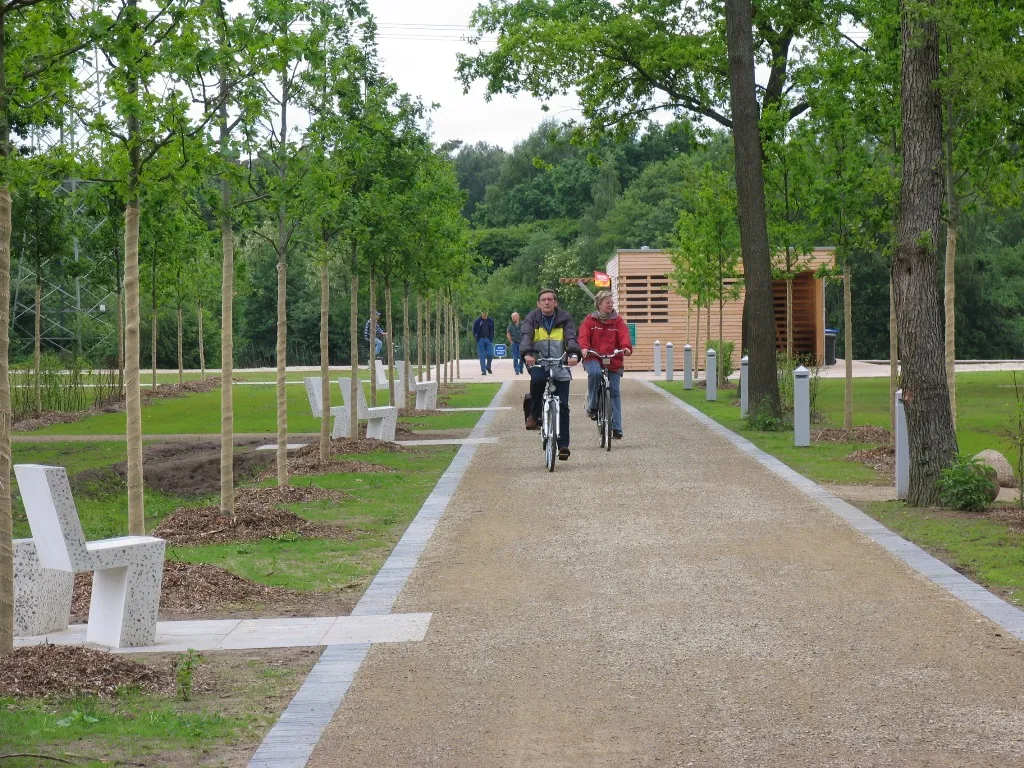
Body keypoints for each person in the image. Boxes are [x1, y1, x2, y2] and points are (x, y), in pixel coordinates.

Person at [521, 288, 581, 460]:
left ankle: (563, 445)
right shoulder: (531, 319)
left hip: (560, 362)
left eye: (550, 299)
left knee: (563, 405)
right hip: (538, 361)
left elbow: (571, 337)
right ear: (538, 303)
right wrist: (527, 354)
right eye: (543, 300)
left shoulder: (565, 318)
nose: (546, 302)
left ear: (555, 302)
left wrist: (573, 354)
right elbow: (526, 337)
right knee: (538, 380)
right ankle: (534, 413)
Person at [579, 290, 633, 439]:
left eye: (611, 302)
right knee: (595, 374)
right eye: (607, 302)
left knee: (614, 392)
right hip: (593, 357)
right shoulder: (590, 320)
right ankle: (592, 405)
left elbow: (624, 336)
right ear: (599, 304)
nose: (610, 304)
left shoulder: (618, 321)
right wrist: (584, 348)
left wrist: (626, 347)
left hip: (613, 358)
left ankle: (617, 428)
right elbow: (583, 336)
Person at [473, 310, 495, 375]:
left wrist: (492, 337)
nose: (484, 314)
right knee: (482, 356)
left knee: (490, 354)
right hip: (480, 340)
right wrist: (476, 337)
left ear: (487, 313)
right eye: (483, 312)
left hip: (488, 339)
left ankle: (488, 367)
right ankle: (483, 371)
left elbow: (492, 330)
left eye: (486, 312)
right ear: (481, 313)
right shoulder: (477, 321)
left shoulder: (490, 320)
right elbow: (474, 330)